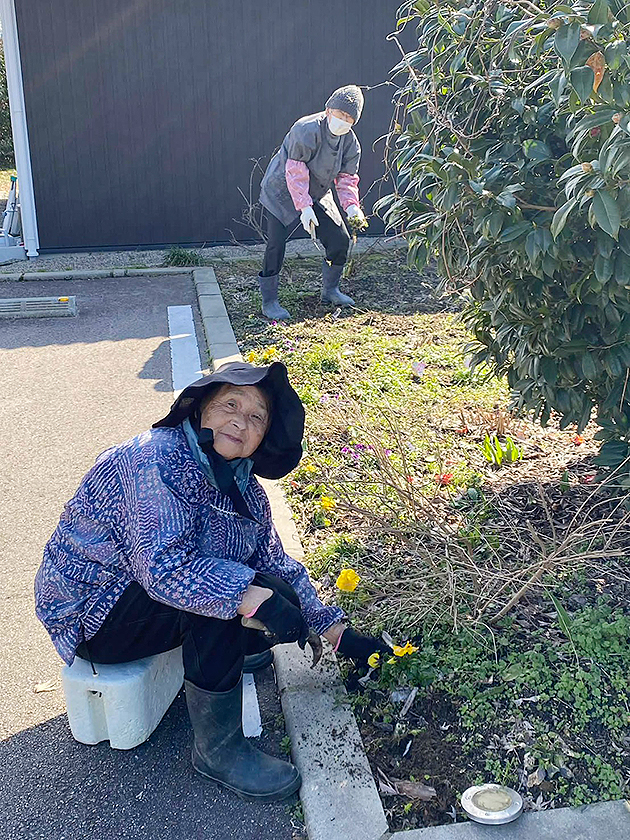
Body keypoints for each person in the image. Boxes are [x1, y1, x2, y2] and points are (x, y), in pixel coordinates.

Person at [35, 361, 388, 803]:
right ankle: (218, 751)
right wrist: (248, 597)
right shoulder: (155, 460)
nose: (241, 421)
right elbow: (164, 570)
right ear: (201, 410)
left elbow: (275, 561)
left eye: (257, 417)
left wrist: (336, 631)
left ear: (263, 437)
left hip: (138, 596)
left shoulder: (242, 485)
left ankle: (232, 654)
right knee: (227, 598)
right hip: (93, 611)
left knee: (268, 586)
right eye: (230, 405)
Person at [257, 85, 368, 320]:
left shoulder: (351, 144)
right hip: (282, 188)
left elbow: (347, 179)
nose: (343, 120)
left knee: (340, 239)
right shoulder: (306, 129)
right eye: (339, 114)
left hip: (318, 189)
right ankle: (269, 301)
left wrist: (351, 206)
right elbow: (295, 171)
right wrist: (304, 207)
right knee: (276, 244)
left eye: (349, 118)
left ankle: (330, 290)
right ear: (328, 110)